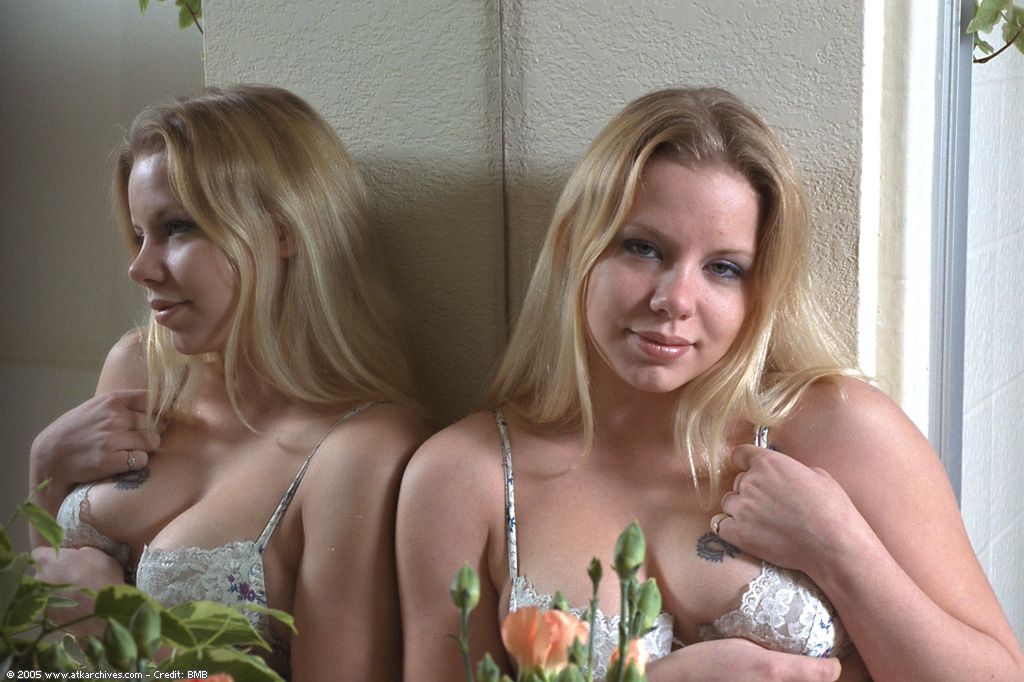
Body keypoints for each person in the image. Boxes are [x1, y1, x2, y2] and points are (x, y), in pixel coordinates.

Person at [396, 87, 1024, 681]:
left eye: (723, 268)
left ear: (760, 291)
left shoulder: (841, 431)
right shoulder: (465, 477)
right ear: (573, 249)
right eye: (642, 248)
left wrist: (841, 548)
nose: (675, 300)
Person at [29, 85, 431, 680]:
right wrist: (45, 467)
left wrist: (121, 635)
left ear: (283, 230)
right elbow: (51, 608)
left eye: (177, 228)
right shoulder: (139, 368)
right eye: (139, 235)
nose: (140, 268)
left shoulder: (359, 449)